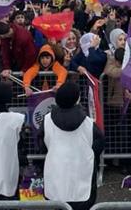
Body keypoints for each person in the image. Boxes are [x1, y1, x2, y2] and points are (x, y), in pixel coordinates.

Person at [41, 81, 104, 210]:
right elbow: (98, 145)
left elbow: (41, 145)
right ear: (77, 99)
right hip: (82, 178)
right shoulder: (88, 123)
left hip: (55, 175)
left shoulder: (47, 120)